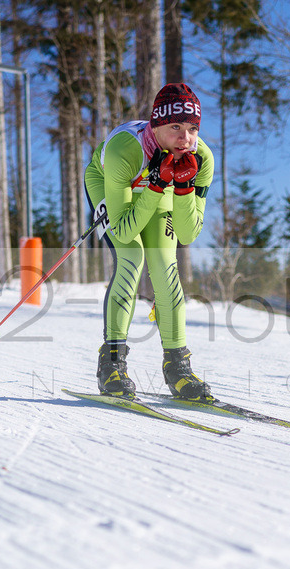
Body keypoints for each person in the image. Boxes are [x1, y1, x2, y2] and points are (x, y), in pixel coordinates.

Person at [84, 83, 214, 401]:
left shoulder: (201, 158)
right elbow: (126, 231)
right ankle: (111, 366)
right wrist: (155, 184)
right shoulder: (124, 150)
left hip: (161, 188)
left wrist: (182, 188)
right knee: (131, 258)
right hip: (110, 183)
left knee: (165, 267)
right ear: (155, 126)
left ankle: (178, 368)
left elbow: (187, 234)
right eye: (175, 127)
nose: (186, 138)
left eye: (193, 128)